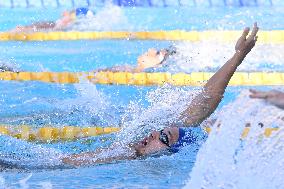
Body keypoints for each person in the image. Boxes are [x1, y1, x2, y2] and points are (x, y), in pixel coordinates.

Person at [62, 23, 259, 166]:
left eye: (163, 138)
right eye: (161, 131)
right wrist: (237, 56)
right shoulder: (136, 146)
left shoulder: (133, 156)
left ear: (170, 153)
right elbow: (206, 98)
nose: (154, 133)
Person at [10, 7, 94, 33]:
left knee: (34, 27)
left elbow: (66, 18)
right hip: (55, 25)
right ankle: (20, 29)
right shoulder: (81, 17)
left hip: (55, 25)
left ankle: (19, 29)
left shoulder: (75, 19)